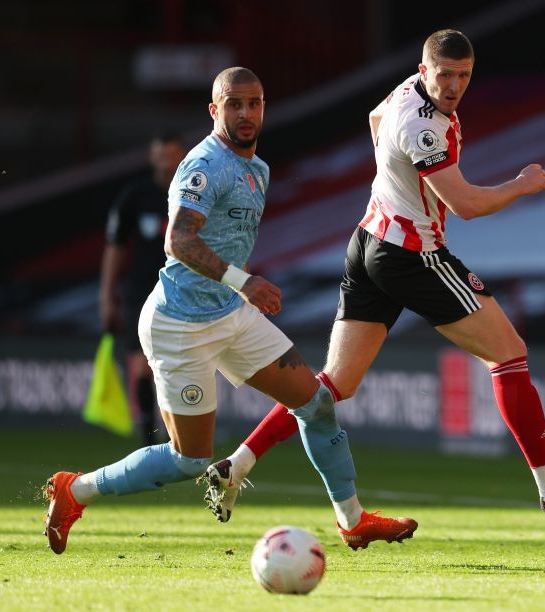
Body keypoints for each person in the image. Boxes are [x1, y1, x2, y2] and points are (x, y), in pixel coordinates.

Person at [200, 30, 545, 524]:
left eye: (463, 75)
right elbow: (463, 204)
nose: (454, 85)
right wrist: (521, 185)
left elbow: (375, 119)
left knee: (333, 384)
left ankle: (237, 463)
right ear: (426, 71)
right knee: (509, 353)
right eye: (445, 75)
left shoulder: (406, 92)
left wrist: (394, 183)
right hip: (411, 254)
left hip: (369, 243)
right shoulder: (426, 128)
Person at [42, 67, 417, 555]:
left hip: (229, 314)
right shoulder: (204, 164)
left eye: (254, 103)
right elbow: (178, 241)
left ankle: (352, 521)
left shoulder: (257, 168)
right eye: (234, 104)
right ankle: (75, 491)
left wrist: (240, 289)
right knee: (189, 460)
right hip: (179, 324)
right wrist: (247, 282)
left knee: (316, 402)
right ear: (214, 110)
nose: (245, 113)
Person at [99, 134, 188, 445]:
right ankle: (149, 437)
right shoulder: (135, 196)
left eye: (172, 155)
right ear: (152, 158)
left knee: (178, 366)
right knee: (141, 366)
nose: (166, 162)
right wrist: (107, 296)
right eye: (160, 156)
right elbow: (115, 247)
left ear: (182, 157)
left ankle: (181, 432)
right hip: (141, 292)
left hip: (183, 292)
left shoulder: (195, 194)